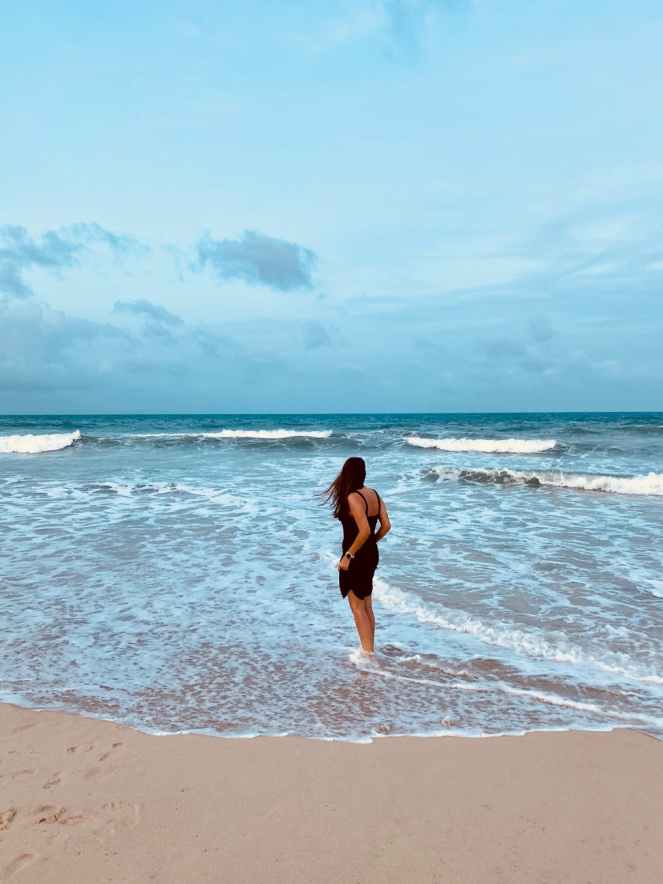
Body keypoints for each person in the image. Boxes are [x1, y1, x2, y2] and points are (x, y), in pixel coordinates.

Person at [323, 457, 391, 654]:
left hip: (356, 556)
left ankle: (368, 653)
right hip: (370, 553)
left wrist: (349, 555)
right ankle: (369, 648)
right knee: (367, 604)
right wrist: (372, 543)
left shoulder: (353, 497)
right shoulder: (374, 494)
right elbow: (386, 526)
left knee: (357, 607)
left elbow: (363, 531)